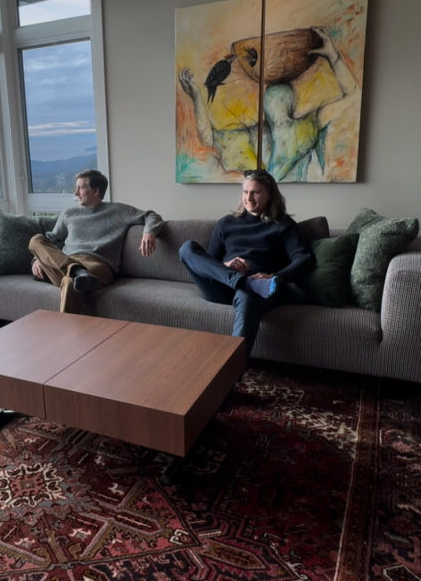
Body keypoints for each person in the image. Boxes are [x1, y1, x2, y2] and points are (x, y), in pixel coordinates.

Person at [178, 26, 358, 182]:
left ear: (291, 103)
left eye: (281, 99)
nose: (275, 106)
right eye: (271, 100)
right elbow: (208, 138)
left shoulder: (308, 126)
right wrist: (196, 96)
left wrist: (333, 56)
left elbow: (351, 97)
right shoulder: (257, 136)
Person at [179, 169, 313, 358]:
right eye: (245, 192)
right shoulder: (226, 223)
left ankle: (230, 371)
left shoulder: (283, 225)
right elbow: (210, 261)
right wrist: (226, 266)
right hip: (223, 285)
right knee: (187, 248)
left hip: (259, 288)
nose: (248, 198)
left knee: (247, 295)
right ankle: (243, 281)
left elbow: (303, 258)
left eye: (255, 192)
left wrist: (276, 277)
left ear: (269, 195)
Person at [29, 169, 164, 313]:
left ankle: (65, 331)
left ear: (95, 191)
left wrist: (149, 233)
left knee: (69, 282)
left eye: (80, 188)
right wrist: (37, 258)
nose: (75, 193)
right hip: (66, 261)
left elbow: (151, 216)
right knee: (36, 240)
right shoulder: (69, 213)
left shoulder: (118, 211)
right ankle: (77, 270)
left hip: (97, 266)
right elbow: (50, 239)